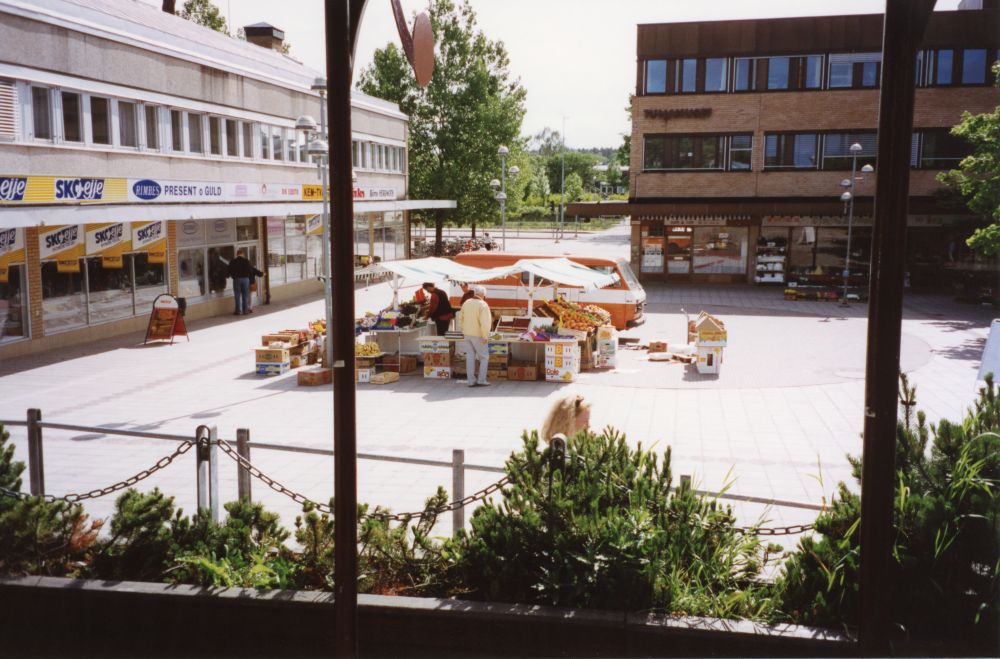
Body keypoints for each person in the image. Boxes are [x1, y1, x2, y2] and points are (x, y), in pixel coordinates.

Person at [460, 285, 492, 387]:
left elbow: (460, 320)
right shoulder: (483, 305)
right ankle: (481, 379)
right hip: (478, 335)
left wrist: (465, 329)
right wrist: (485, 336)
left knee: (470, 357)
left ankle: (471, 381)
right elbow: (485, 323)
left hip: (467, 334)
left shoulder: (466, 303)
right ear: (482, 294)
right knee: (484, 357)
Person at [227, 249, 264, 316]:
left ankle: (237, 311)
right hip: (245, 279)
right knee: (245, 295)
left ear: (236, 254)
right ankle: (245, 310)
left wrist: (232, 275)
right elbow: (251, 270)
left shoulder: (233, 262)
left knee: (237, 295)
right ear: (242, 254)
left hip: (236, 279)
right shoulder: (246, 261)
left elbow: (229, 270)